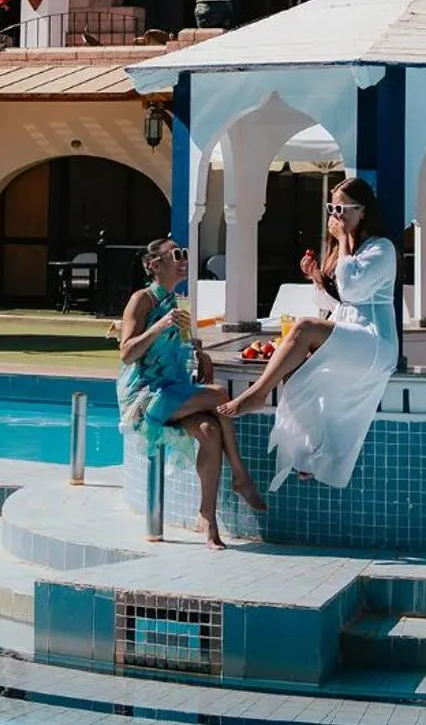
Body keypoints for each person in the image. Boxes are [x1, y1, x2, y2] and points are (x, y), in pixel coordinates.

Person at [220, 177, 398, 492]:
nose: (335, 216)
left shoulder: (381, 249)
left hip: (374, 342)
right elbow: (341, 301)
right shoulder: (354, 251)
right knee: (294, 370)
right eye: (332, 208)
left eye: (342, 209)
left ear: (363, 211)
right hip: (354, 333)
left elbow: (353, 288)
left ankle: (258, 394)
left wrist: (342, 242)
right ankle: (311, 455)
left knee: (303, 327)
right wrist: (318, 278)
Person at [116, 236, 266, 548]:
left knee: (210, 431)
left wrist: (198, 351)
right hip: (144, 396)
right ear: (155, 265)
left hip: (173, 391)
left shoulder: (175, 301)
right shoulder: (142, 300)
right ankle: (241, 476)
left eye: (185, 253)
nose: (184, 259)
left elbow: (173, 351)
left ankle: (208, 520)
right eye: (177, 255)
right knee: (221, 396)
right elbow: (127, 353)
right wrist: (159, 326)